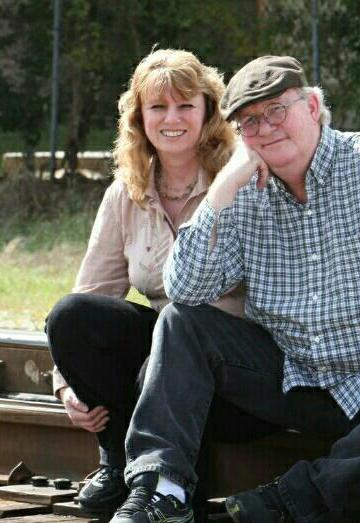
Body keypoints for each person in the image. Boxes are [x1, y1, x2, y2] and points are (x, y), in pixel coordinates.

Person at [111, 56, 360, 523]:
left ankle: (282, 502)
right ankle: (162, 492)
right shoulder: (243, 190)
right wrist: (220, 191)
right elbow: (185, 288)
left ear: (311, 106)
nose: (265, 128)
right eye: (249, 121)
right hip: (293, 377)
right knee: (181, 323)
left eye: (276, 110)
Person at [45, 48, 243, 515]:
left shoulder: (240, 179)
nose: (171, 118)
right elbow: (92, 292)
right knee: (72, 316)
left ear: (209, 112)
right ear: (140, 118)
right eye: (158, 107)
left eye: (185, 105)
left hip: (230, 365)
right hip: (160, 358)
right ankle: (118, 460)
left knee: (173, 335)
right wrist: (67, 384)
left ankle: (166, 481)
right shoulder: (126, 191)